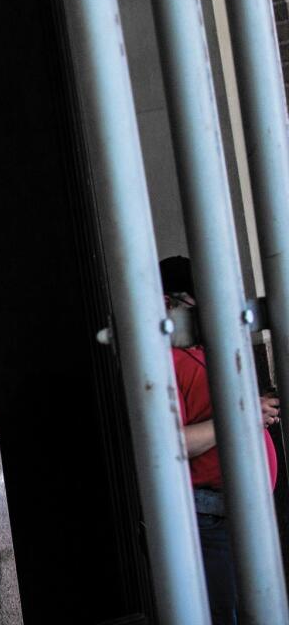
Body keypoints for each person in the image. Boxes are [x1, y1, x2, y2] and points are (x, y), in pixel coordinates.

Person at [160, 256, 280, 625]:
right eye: (198, 303)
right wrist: (243, 417)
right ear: (169, 304)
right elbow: (173, 444)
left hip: (245, 508)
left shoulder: (204, 350)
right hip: (212, 516)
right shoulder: (161, 362)